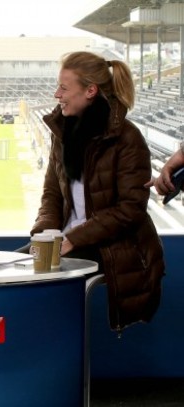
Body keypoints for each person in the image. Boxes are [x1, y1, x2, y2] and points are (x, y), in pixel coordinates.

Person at [28, 51, 164, 333]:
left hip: (115, 247)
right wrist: (46, 232)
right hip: (70, 240)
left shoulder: (128, 139)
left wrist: (73, 239)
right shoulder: (62, 134)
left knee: (34, 286)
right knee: (16, 268)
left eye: (64, 88)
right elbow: (52, 193)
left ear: (90, 91)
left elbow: (130, 210)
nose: (56, 94)